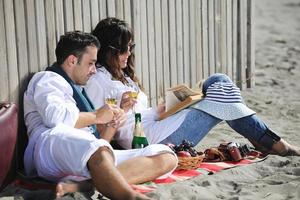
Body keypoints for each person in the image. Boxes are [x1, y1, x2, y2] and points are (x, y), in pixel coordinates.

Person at [85, 17, 300, 157]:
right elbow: (98, 128)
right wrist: (121, 110)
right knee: (221, 91)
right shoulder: (97, 81)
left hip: (161, 123)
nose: (129, 53)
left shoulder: (122, 75)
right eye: (124, 49)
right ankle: (272, 143)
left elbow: (140, 113)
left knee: (218, 80)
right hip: (155, 140)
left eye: (131, 47)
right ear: (109, 50)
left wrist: (161, 110)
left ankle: (262, 139)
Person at [23, 31, 177, 200]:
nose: (94, 71)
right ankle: (130, 197)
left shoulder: (79, 91)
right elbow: (56, 119)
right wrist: (96, 116)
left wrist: (112, 122)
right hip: (50, 147)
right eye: (91, 63)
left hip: (89, 155)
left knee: (166, 156)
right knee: (96, 149)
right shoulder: (47, 79)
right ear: (72, 60)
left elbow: (100, 143)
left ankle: (84, 185)